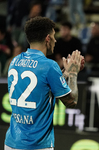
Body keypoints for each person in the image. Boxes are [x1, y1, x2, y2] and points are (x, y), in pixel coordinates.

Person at [4, 16, 83, 150]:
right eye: (53, 35)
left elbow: (43, 85)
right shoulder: (49, 66)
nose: (55, 39)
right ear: (47, 38)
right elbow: (71, 101)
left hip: (11, 142)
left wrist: (65, 74)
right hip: (37, 145)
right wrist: (74, 74)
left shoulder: (15, 61)